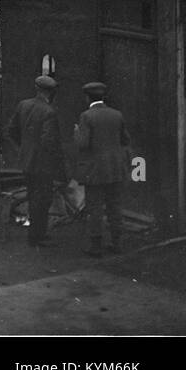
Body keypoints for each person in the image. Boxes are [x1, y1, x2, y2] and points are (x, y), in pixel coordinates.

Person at [6, 76, 66, 247]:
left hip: (27, 162)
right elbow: (49, 142)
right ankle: (36, 236)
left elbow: (11, 131)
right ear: (51, 92)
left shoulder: (23, 105)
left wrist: (24, 149)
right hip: (43, 165)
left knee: (33, 197)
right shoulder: (49, 112)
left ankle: (37, 233)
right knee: (43, 199)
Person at [75, 82, 130, 256]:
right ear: (103, 97)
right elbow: (125, 139)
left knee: (95, 208)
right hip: (115, 169)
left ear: (87, 97)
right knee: (115, 207)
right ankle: (117, 244)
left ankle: (96, 246)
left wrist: (76, 132)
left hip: (95, 170)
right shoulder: (117, 115)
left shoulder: (86, 116)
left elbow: (83, 144)